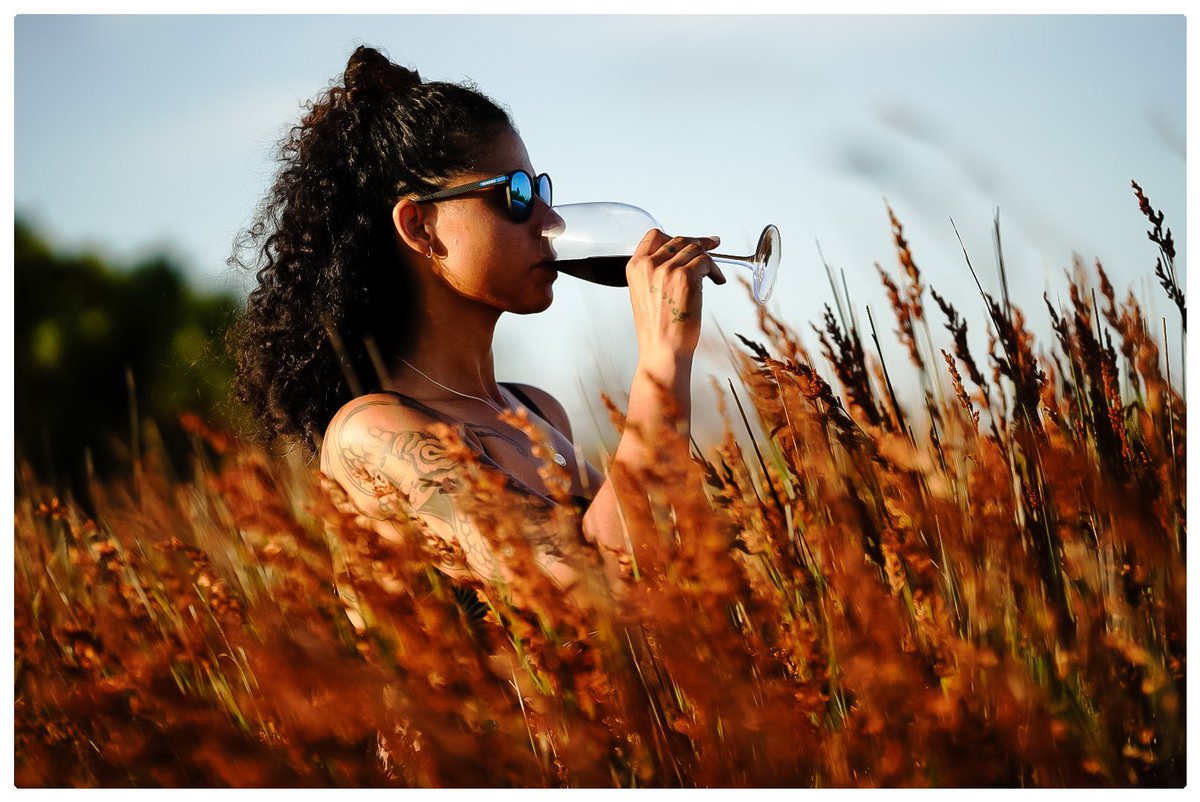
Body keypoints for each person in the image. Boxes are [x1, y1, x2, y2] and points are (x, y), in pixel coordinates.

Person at [232, 45, 725, 608]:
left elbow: (661, 564)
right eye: (515, 194)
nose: (552, 221)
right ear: (419, 227)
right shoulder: (371, 433)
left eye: (541, 190)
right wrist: (662, 362)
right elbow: (599, 584)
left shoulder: (535, 412)